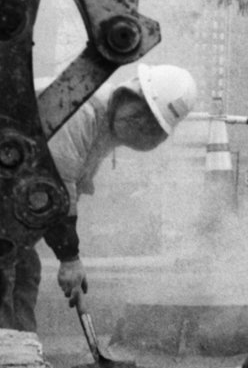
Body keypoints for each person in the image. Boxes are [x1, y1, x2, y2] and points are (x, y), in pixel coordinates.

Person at [0, 64, 198, 332]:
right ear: (131, 95)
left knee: (25, 269)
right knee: (5, 268)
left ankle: (21, 353)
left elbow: (65, 190)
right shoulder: (80, 109)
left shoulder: (104, 125)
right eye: (141, 115)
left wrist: (67, 253)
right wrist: (69, 257)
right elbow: (52, 185)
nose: (140, 125)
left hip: (11, 191)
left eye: (150, 123)